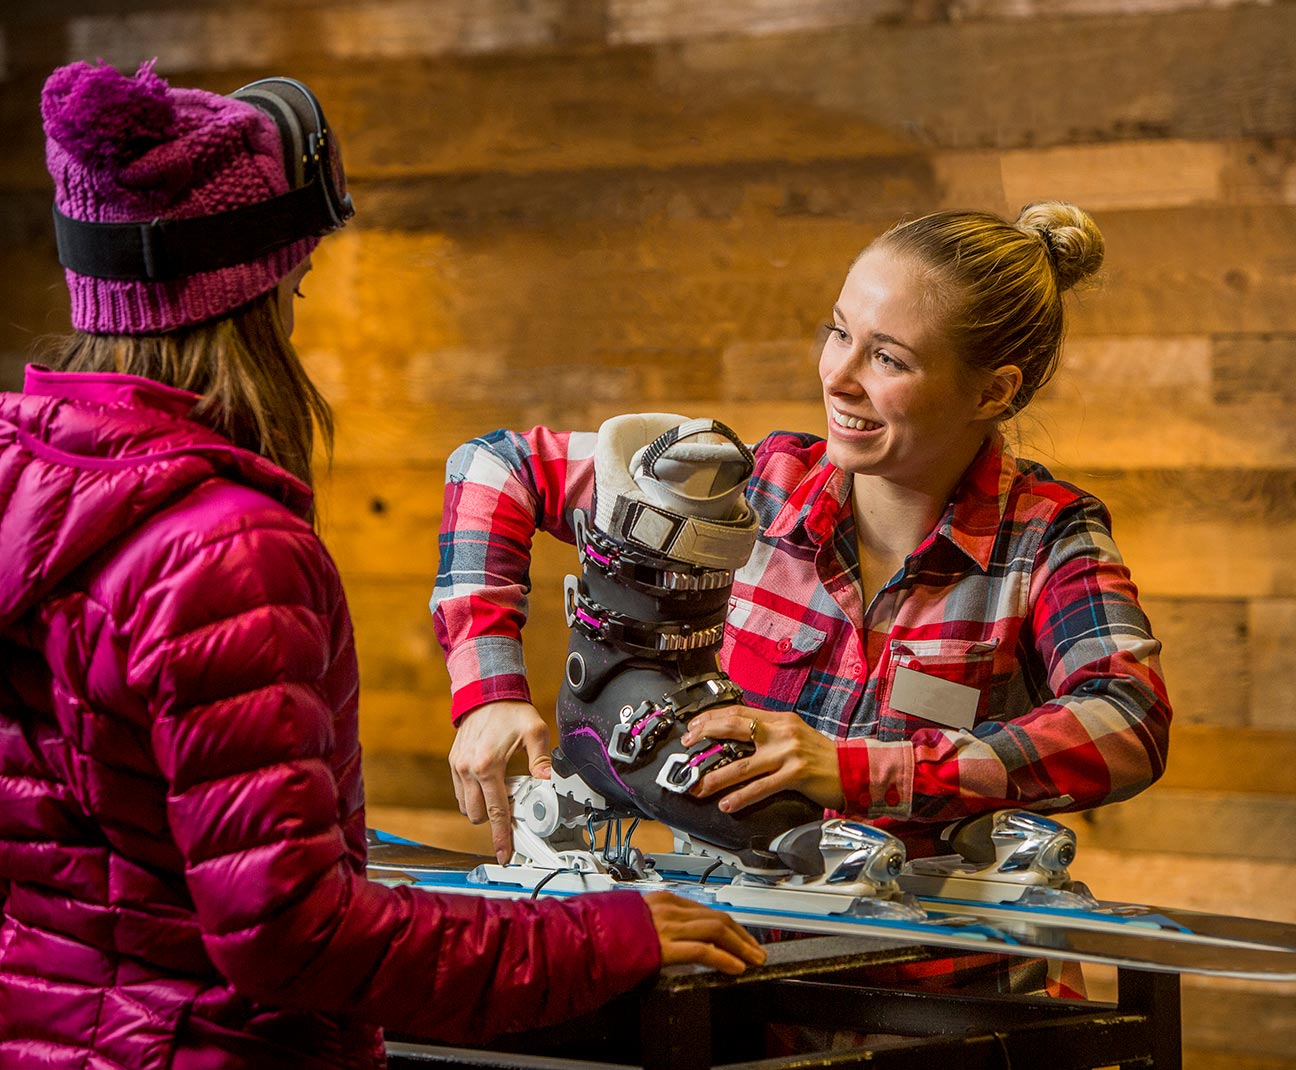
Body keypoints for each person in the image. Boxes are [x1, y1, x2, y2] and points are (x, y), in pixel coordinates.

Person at [0, 60, 764, 1070]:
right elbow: (292, 933)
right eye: (298, 281)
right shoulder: (221, 549)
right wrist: (601, 935)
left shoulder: (23, 478)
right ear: (261, 292)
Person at [432, 201, 1173, 992]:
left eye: (888, 358)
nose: (837, 375)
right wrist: (487, 692)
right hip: (753, 979)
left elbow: (1128, 721)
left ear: (993, 391)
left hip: (956, 999)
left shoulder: (1049, 538)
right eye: (839, 331)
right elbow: (494, 467)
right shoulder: (752, 489)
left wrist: (859, 769)